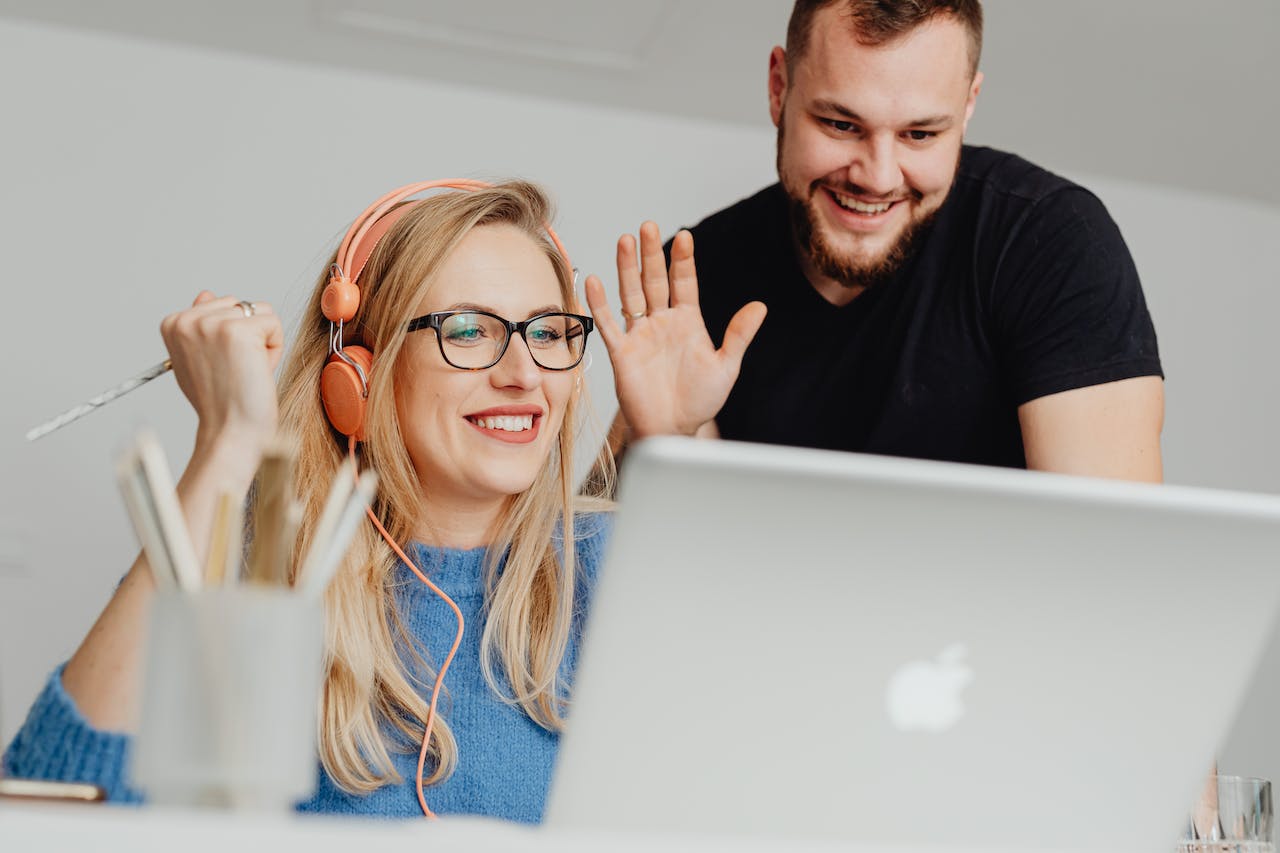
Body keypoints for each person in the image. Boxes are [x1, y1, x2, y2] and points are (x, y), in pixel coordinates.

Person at [1, 180, 761, 820]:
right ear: (355, 377)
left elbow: (753, 774)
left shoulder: (615, 569)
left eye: (549, 332)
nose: (525, 374)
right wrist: (228, 443)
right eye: (468, 329)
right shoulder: (267, 588)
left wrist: (674, 447)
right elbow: (59, 810)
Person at [609, 0, 1164, 482]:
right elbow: (592, 579)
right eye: (840, 125)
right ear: (780, 88)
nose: (877, 177)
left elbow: (1113, 570)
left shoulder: (1051, 242)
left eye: (919, 135)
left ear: (968, 105)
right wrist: (664, 442)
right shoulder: (693, 278)